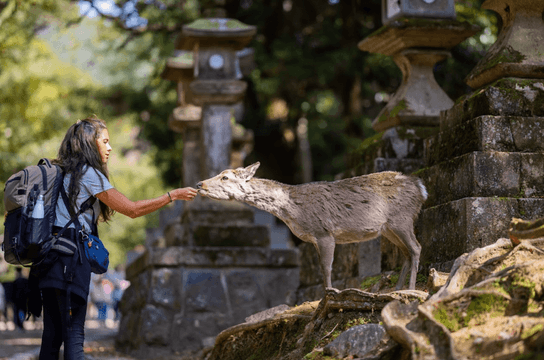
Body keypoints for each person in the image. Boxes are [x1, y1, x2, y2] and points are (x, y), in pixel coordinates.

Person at [30, 117, 198, 360]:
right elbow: (132, 209)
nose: (109, 148)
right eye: (105, 141)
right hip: (70, 260)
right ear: (89, 143)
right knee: (74, 338)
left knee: (52, 337)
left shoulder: (59, 172)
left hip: (46, 260)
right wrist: (171, 196)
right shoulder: (87, 173)